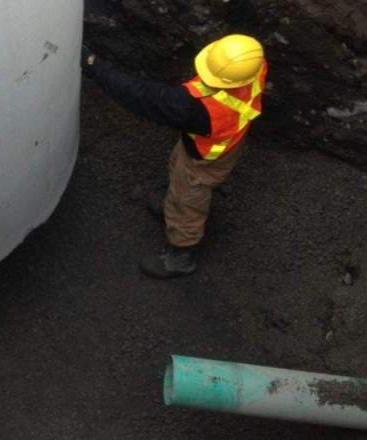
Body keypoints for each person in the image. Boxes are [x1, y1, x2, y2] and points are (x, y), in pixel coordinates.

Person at [81, 34, 267, 279]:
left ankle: (181, 254)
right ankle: (171, 206)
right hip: (229, 140)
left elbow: (142, 96)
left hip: (205, 159)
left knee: (187, 199)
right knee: (178, 165)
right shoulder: (253, 64)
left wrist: (94, 66)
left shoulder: (197, 108)